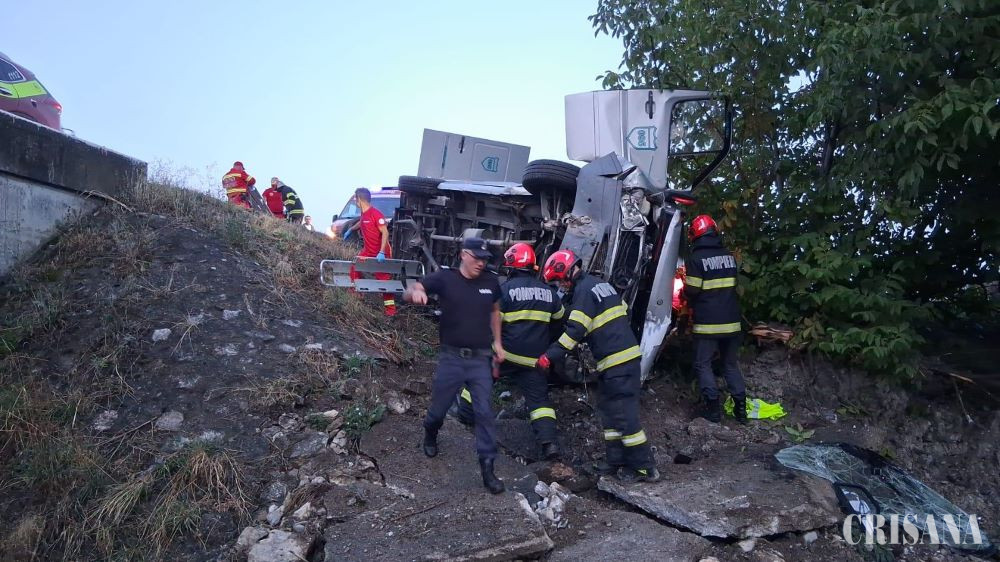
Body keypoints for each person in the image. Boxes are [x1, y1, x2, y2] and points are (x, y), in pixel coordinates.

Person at [536, 249, 660, 482]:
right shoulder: (601, 285)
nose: (561, 286)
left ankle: (644, 467)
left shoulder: (583, 293)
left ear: (568, 272)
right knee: (609, 411)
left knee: (624, 415)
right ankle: (615, 460)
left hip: (618, 362)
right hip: (616, 361)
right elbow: (624, 310)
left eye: (560, 280)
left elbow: (574, 332)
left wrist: (549, 356)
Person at [403, 238, 506, 494]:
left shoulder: (491, 282)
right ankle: (431, 432)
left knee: (484, 412)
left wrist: (498, 343)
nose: (481, 263)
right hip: (452, 358)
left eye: (485, 259)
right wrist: (416, 293)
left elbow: (495, 311)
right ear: (463, 254)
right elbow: (412, 289)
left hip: (480, 359)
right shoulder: (445, 278)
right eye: (477, 257)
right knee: (439, 409)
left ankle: (488, 469)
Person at [456, 243, 565, 460]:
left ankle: (465, 416)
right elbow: (559, 322)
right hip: (534, 360)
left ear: (511, 266)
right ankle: (549, 444)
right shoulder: (550, 294)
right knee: (540, 402)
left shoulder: (504, 291)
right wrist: (544, 346)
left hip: (504, 355)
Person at [683, 214, 746, 424]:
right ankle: (741, 411)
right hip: (732, 323)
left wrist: (683, 292)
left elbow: (692, 290)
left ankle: (713, 411)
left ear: (694, 235)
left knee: (703, 364)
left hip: (708, 324)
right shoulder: (728, 257)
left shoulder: (696, 258)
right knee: (730, 365)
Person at [346, 188, 396, 316]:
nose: (355, 202)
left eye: (356, 199)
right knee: (354, 266)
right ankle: (357, 294)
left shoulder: (376, 214)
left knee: (384, 282)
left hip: (381, 254)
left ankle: (390, 311)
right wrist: (351, 229)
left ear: (359, 199)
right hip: (368, 251)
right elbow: (361, 222)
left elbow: (385, 232)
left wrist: (382, 252)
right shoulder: (364, 214)